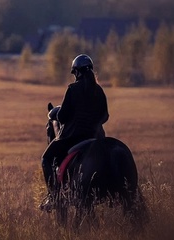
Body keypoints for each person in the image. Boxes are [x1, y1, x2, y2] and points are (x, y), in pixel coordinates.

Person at [40, 54, 109, 210]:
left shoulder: (72, 89)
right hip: (95, 138)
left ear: (76, 72)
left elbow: (63, 117)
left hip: (72, 138)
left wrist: (55, 113)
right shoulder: (99, 90)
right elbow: (105, 116)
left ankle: (54, 197)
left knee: (46, 158)